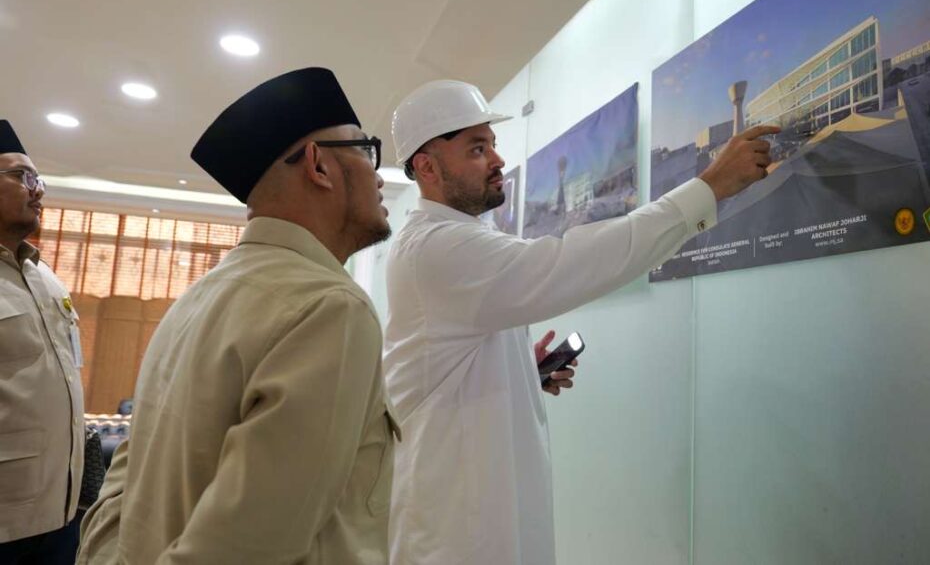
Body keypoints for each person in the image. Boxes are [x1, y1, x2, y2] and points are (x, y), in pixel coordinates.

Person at [382, 79, 778, 564]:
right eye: (477, 149)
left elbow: (449, 361)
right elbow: (573, 262)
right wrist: (708, 188)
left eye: (493, 145)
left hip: (477, 516)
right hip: (457, 533)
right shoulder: (437, 247)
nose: (498, 160)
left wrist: (519, 370)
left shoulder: (449, 240)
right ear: (426, 166)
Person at [76, 68, 401, 564]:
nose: (379, 176)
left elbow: (120, 494)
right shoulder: (330, 308)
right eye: (365, 150)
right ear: (318, 165)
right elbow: (250, 547)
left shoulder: (195, 300)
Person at [0, 120, 85, 564]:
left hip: (61, 512)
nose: (38, 191)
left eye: (39, 181)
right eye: (22, 177)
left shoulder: (46, 278)